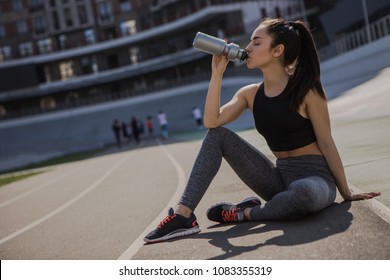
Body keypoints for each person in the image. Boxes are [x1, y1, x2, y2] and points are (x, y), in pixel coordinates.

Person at [144, 18, 381, 243]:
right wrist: (217, 75)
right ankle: (184, 215)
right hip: (277, 179)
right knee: (217, 136)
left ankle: (243, 213)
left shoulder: (307, 91)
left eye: (257, 42)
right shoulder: (250, 94)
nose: (248, 47)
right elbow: (212, 121)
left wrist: (346, 192)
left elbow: (327, 143)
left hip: (315, 180)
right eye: (250, 42)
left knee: (302, 195)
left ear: (277, 51)